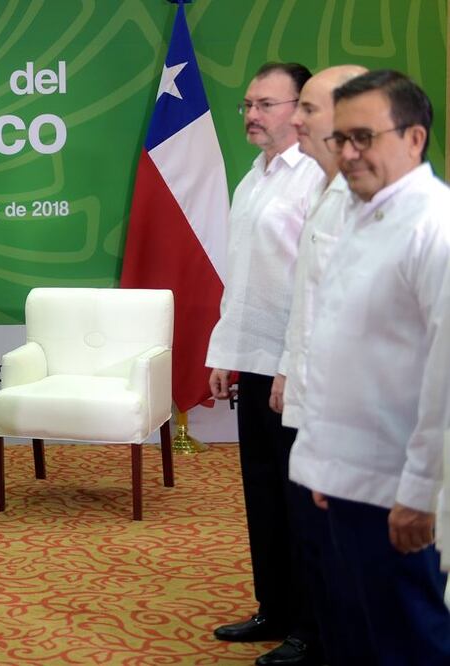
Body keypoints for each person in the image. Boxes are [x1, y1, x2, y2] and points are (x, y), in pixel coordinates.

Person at [289, 69, 450, 663]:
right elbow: (342, 346)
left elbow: (446, 377)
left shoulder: (436, 226)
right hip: (350, 477)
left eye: (365, 138)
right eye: (341, 139)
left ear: (414, 138)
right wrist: (329, 461)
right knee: (357, 630)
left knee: (410, 641)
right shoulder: (360, 212)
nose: (350, 153)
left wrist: (421, 491)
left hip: (402, 490)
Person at [205, 63, 325, 666]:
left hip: (296, 368)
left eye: (266, 104)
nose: (252, 114)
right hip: (252, 361)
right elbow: (244, 278)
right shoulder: (252, 180)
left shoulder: (316, 181)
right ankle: (273, 607)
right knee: (261, 493)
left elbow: (313, 283)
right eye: (247, 104)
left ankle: (311, 627)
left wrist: (285, 364)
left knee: (299, 498)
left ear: (300, 110)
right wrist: (226, 351)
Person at [270, 64, 368, 666]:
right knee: (319, 548)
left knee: (357, 564)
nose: (296, 120)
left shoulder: (373, 205)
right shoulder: (331, 196)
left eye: (308, 107)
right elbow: (307, 310)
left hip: (356, 427)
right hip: (316, 410)